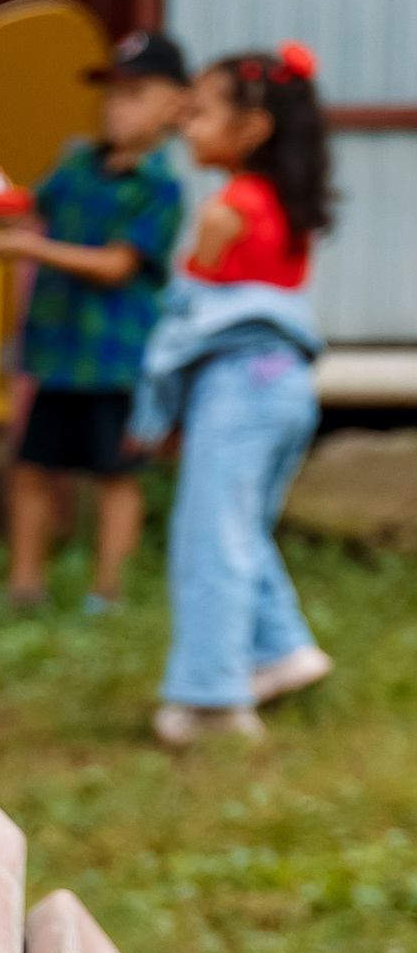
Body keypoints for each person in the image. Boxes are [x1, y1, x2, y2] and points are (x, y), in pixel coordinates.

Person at [136, 44, 334, 752]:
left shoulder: (228, 209)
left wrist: (157, 409)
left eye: (200, 113)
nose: (185, 126)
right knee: (238, 528)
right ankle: (281, 649)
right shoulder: (286, 203)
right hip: (285, 387)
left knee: (209, 539)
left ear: (252, 128)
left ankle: (213, 700)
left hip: (237, 390)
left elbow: (189, 318)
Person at [0, 27, 190, 614]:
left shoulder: (161, 188)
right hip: (57, 351)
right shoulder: (76, 163)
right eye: (112, 94)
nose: (116, 107)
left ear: (175, 106)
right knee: (30, 467)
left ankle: (108, 592)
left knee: (114, 474)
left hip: (117, 358)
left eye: (135, 95)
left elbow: (116, 267)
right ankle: (24, 586)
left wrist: (32, 249)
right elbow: (29, 207)